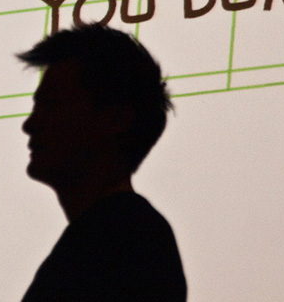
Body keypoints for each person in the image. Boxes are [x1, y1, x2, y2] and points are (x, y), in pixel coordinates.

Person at [18, 23, 187, 301]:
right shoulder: (118, 235)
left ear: (116, 120)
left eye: (52, 105)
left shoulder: (125, 238)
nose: (30, 125)